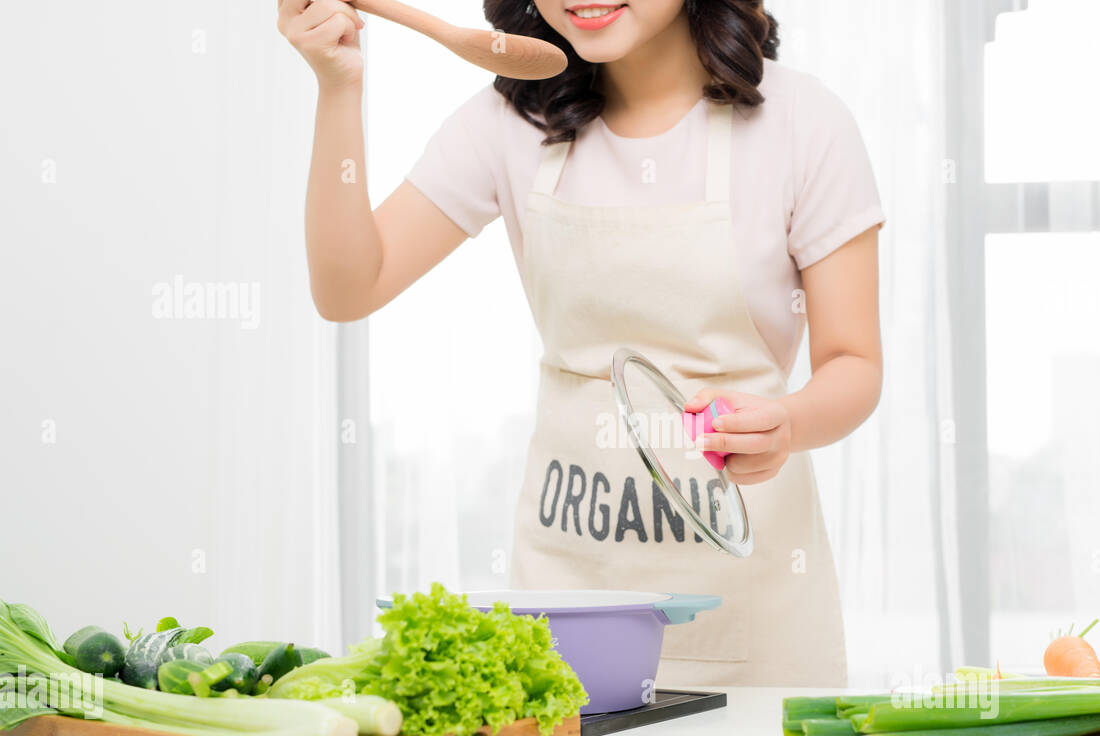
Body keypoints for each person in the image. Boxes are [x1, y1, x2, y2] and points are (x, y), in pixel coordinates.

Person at [277, 0, 884, 687]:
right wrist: (339, 86)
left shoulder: (803, 124)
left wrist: (790, 422)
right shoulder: (509, 121)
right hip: (565, 605)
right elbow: (349, 288)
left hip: (755, 618)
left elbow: (852, 363)